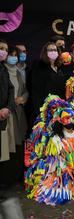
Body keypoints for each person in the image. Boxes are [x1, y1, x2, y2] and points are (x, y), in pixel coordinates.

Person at [29, 42, 66, 125]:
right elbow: (36, 90)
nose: (53, 52)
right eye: (50, 50)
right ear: (45, 52)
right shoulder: (39, 66)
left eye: (55, 50)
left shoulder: (60, 67)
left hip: (60, 107)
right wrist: (40, 110)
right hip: (46, 108)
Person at [0, 39, 15, 185]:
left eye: (5, 49)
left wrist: (8, 108)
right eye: (0, 48)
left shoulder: (3, 69)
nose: (3, 51)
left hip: (3, 116)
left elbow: (11, 90)